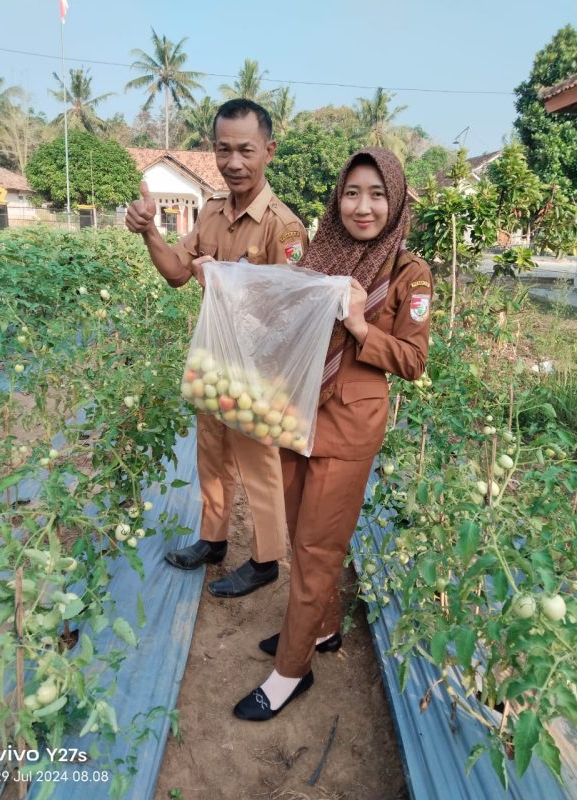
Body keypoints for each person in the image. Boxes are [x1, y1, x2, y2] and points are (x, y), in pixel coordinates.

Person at [232, 147, 433, 720]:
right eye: (351, 193)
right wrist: (234, 283)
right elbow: (283, 316)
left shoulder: (408, 271)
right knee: (301, 534)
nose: (362, 206)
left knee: (319, 549)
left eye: (376, 194)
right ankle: (320, 630)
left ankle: (291, 671)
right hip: (299, 414)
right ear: (337, 198)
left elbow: (414, 360)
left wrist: (358, 322)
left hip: (348, 427)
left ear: (394, 201)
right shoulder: (321, 254)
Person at [125, 99, 308, 598]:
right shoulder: (209, 213)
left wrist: (225, 281)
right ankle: (213, 539)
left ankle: (268, 558)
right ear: (214, 151)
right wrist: (149, 233)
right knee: (212, 454)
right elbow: (176, 274)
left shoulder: (283, 226)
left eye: (246, 150)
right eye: (224, 149)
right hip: (214, 359)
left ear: (268, 151)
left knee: (258, 462)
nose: (234, 162)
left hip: (258, 368)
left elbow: (288, 309)